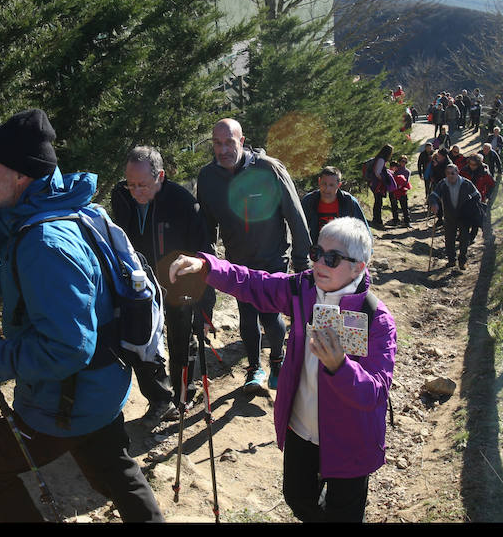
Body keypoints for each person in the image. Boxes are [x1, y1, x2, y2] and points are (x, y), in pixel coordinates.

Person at [0, 109, 164, 522]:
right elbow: (23, 280)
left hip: (64, 400)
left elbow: (66, 348)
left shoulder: (44, 241)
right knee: (115, 474)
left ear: (20, 175)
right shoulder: (66, 213)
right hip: (101, 386)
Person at [167, 217, 396, 523]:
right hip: (301, 427)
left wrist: (339, 367)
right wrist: (207, 267)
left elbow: (376, 393)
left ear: (359, 267)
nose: (319, 263)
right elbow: (254, 283)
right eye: (317, 253)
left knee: (345, 514)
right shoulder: (302, 289)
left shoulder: (375, 318)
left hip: (351, 439)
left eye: (333, 258)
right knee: (297, 497)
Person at [196, 118, 312, 393]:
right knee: (246, 317)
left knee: (271, 317)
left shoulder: (268, 168)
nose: (223, 149)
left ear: (242, 141)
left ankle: (277, 360)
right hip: (238, 261)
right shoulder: (208, 177)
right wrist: (209, 265)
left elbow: (295, 216)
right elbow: (206, 227)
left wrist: (302, 262)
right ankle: (253, 367)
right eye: (217, 143)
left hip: (273, 257)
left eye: (229, 142)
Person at [110, 146, 216, 425]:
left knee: (181, 340)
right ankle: (160, 398)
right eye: (131, 184)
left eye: (142, 185)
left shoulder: (182, 201)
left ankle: (184, 393)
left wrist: (206, 307)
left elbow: (205, 252)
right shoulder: (122, 196)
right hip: (140, 284)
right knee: (141, 340)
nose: (135, 191)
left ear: (160, 176)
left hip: (180, 283)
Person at [427, 163, 483, 271]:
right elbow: (433, 195)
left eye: (453, 173)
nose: (450, 175)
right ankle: (451, 260)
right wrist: (434, 203)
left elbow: (477, 196)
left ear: (457, 172)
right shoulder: (443, 184)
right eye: (448, 173)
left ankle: (462, 261)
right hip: (449, 216)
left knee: (464, 239)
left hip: (464, 216)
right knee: (449, 239)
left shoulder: (466, 184)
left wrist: (470, 207)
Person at [300, 166, 368, 245]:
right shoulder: (309, 201)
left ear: (339, 185)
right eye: (324, 184)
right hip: (315, 250)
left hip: (343, 250)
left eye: (331, 185)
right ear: (319, 181)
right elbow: (299, 230)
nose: (327, 189)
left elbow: (364, 232)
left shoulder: (349, 202)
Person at [460, 153, 495, 242]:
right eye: (470, 164)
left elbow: (491, 184)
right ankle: (463, 235)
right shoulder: (464, 171)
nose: (472, 166)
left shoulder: (484, 173)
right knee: (464, 218)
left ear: (478, 164)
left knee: (476, 219)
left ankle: (472, 237)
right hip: (465, 198)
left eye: (474, 165)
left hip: (479, 199)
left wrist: (487, 195)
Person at [364, 144, 395, 230]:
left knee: (378, 201)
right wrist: (383, 180)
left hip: (374, 183)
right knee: (378, 202)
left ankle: (377, 220)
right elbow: (377, 172)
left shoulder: (379, 158)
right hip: (377, 184)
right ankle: (377, 221)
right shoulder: (381, 160)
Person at [387, 160, 411, 227]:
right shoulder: (389, 173)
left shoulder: (405, 172)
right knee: (395, 207)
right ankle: (396, 220)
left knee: (404, 207)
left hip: (400, 191)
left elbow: (406, 182)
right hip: (395, 191)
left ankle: (406, 221)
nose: (392, 168)